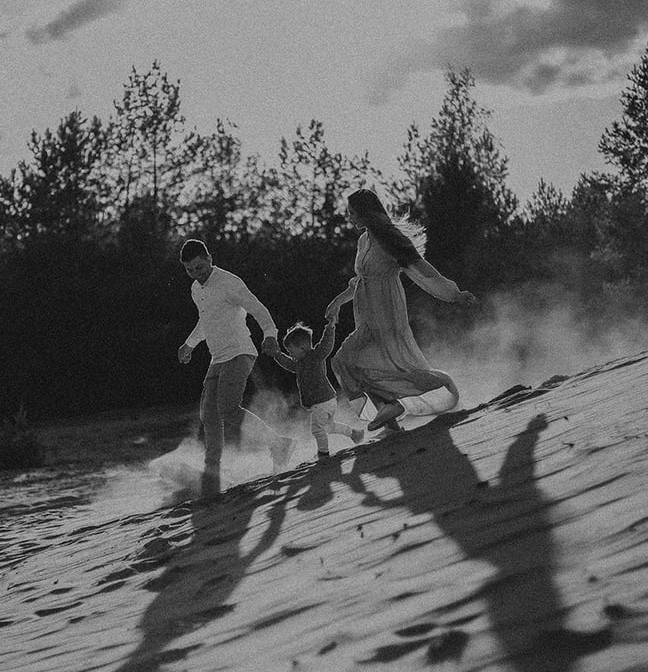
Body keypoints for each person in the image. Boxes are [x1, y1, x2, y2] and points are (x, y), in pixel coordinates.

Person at [325, 189, 478, 434]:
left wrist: (453, 294)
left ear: (366, 212)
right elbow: (360, 281)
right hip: (366, 316)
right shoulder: (364, 240)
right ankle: (392, 421)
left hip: (386, 313)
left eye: (353, 212)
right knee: (350, 364)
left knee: (360, 362)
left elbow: (423, 271)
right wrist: (337, 303)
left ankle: (405, 401)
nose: (350, 217)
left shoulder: (389, 238)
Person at [178, 239, 295, 497]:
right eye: (190, 270)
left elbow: (257, 308)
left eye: (199, 267)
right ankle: (212, 481)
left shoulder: (229, 282)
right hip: (217, 357)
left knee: (228, 408)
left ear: (209, 258)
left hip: (241, 352)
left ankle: (279, 443)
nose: (197, 274)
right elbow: (205, 319)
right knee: (208, 415)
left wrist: (270, 334)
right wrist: (189, 344)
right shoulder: (196, 289)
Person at [272, 315, 364, 458]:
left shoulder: (315, 356)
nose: (290, 355)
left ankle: (323, 453)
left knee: (317, 429)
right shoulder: (299, 364)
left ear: (302, 348)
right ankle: (355, 433)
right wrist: (277, 354)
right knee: (328, 427)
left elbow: (326, 345)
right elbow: (288, 363)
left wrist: (330, 328)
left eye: (291, 351)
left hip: (322, 402)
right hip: (325, 401)